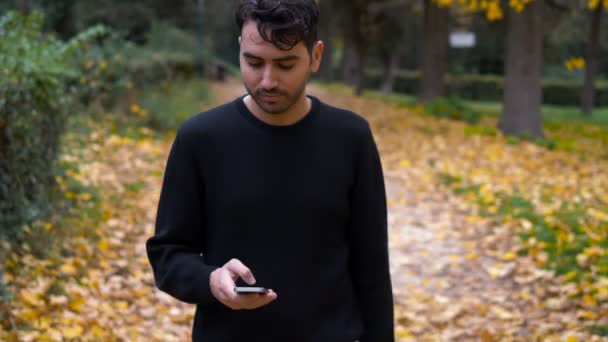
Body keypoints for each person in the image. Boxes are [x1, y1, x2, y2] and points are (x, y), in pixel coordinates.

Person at [145, 0, 394, 341]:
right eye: (254, 62)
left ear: (316, 56)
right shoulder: (200, 138)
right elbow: (168, 255)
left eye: (285, 64)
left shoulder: (351, 138)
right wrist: (210, 280)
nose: (268, 81)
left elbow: (372, 268)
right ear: (239, 51)